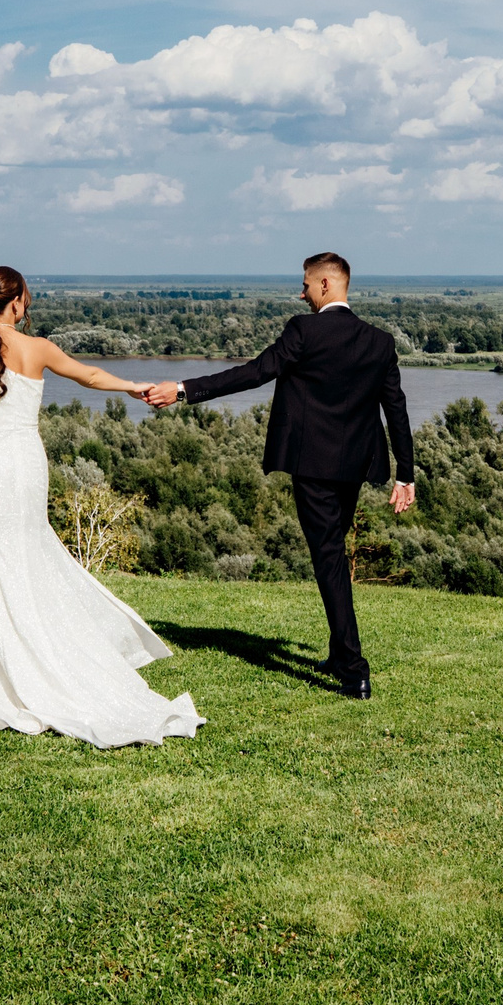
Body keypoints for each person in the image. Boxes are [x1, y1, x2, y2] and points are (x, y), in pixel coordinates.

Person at [0, 266, 203, 749]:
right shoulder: (39, 347)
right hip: (26, 462)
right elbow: (88, 375)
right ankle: (23, 651)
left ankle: (2, 663)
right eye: (27, 297)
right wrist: (132, 386)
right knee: (24, 554)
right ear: (18, 302)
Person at [143, 252, 413, 699]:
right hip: (355, 467)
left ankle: (354, 668)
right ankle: (340, 653)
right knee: (333, 555)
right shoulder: (380, 341)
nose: (300, 292)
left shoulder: (303, 331)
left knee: (328, 558)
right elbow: (396, 410)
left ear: (326, 285)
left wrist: (184, 390)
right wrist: (406, 474)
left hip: (312, 466)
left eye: (305, 284)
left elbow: (254, 373)